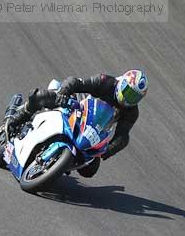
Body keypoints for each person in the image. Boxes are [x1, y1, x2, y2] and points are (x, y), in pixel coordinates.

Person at [8, 69, 148, 178]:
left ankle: (59, 164)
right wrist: (63, 93)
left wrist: (108, 150)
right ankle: (17, 118)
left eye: (135, 97)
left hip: (94, 132)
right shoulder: (105, 82)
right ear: (122, 83)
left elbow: (122, 136)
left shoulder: (131, 112)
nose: (130, 99)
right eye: (129, 92)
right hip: (78, 109)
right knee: (40, 97)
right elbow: (76, 82)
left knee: (90, 171)